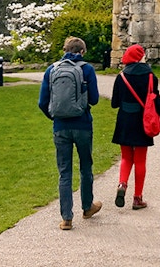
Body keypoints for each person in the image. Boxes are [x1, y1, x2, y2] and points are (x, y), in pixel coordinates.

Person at [39, 37, 102, 230]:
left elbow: (42, 102)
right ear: (82, 52)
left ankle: (66, 218)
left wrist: (55, 117)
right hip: (82, 124)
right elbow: (95, 98)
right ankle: (87, 207)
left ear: (65, 49)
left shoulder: (52, 70)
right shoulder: (87, 69)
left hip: (61, 127)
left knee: (64, 171)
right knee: (85, 167)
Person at [111, 44, 160, 210]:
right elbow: (155, 98)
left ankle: (122, 184)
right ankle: (137, 198)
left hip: (125, 120)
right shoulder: (150, 76)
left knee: (126, 157)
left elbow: (115, 103)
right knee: (140, 159)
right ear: (141, 57)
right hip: (143, 120)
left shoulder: (121, 77)